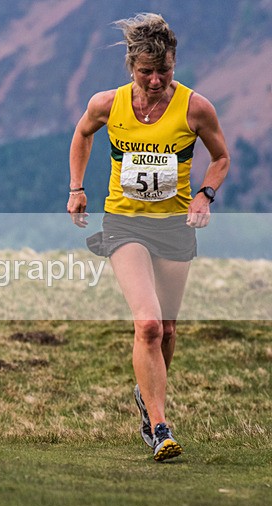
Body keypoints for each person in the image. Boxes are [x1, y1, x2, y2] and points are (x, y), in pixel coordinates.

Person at [67, 13, 229, 461]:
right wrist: (77, 188)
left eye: (164, 71)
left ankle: (147, 394)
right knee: (149, 324)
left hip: (175, 226)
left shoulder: (195, 107)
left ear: (174, 64)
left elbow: (221, 157)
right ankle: (159, 427)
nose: (156, 80)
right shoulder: (108, 104)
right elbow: (82, 134)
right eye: (146, 72)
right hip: (124, 224)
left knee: (169, 329)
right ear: (131, 67)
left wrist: (204, 196)